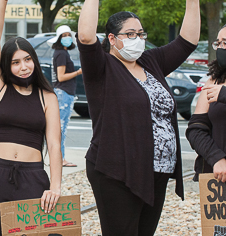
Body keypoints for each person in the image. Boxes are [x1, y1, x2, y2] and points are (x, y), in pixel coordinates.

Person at [77, 0, 200, 235]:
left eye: (140, 33)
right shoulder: (101, 67)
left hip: (157, 171)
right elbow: (85, 36)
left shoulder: (150, 62)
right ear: (112, 39)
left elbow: (187, 42)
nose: (137, 39)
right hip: (117, 172)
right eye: (130, 34)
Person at [0, 0, 62, 234]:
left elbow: (53, 144)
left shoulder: (47, 97)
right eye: (15, 62)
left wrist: (55, 186)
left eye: (27, 59)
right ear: (6, 65)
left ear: (34, 60)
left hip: (33, 177)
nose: (23, 67)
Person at [186, 25, 226, 183]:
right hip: (219, 178)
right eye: (219, 43)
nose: (221, 48)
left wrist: (223, 94)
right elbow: (196, 129)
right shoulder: (214, 80)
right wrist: (216, 158)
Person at [47, 25, 82, 167]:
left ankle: (57, 158)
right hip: (64, 92)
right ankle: (59, 159)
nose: (67, 37)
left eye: (69, 35)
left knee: (59, 127)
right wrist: (78, 72)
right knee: (61, 128)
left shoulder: (59, 53)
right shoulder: (61, 54)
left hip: (62, 92)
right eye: (64, 35)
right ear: (59, 38)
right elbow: (61, 77)